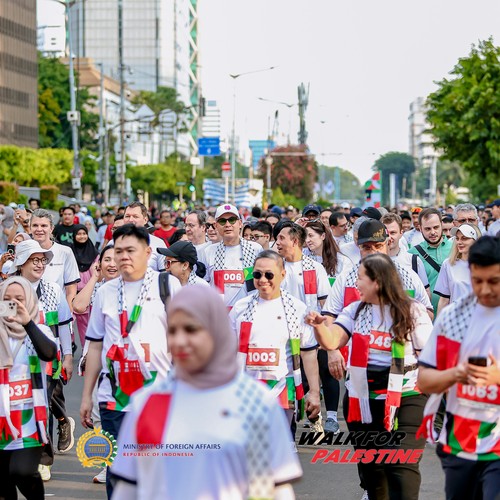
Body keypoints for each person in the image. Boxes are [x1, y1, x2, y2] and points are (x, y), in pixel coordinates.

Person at [111, 285, 302, 500]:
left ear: (215, 331)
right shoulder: (146, 403)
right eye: (172, 330)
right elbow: (127, 491)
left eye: (191, 329)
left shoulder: (257, 403)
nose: (179, 341)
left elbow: (277, 492)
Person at [307, 254, 433, 500]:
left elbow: (429, 359)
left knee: (401, 466)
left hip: (406, 398)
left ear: (377, 281)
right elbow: (332, 340)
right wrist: (320, 327)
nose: (355, 283)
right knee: (373, 474)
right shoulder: (355, 310)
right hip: (363, 402)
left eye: (360, 278)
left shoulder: (413, 311)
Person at [80, 225, 181, 499]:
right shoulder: (106, 291)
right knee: (118, 471)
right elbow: (96, 345)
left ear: (147, 252)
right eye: (119, 251)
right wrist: (87, 396)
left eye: (130, 250)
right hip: (114, 396)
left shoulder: (167, 286)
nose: (123, 256)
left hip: (157, 394)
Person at [417, 236, 500, 500]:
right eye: (477, 281)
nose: (485, 290)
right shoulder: (453, 317)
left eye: (494, 281)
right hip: (459, 444)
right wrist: (455, 374)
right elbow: (425, 380)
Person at [229, 250, 320, 428]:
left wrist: (315, 392)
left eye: (269, 275)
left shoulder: (297, 308)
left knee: (282, 442)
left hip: (283, 389)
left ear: (282, 275)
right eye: (257, 275)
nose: (263, 280)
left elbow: (308, 353)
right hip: (247, 389)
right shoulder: (240, 308)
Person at [10, 240, 74, 479]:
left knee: (43, 406)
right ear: (21, 263)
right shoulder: (8, 289)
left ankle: (43, 459)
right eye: (34, 260)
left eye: (43, 260)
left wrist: (68, 356)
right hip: (14, 362)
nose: (40, 265)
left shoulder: (53, 289)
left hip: (46, 359)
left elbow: (64, 324)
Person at [0, 276, 57, 500]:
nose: (13, 304)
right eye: (7, 299)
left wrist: (28, 323)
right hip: (2, 419)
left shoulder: (38, 330)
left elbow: (49, 353)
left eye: (19, 299)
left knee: (21, 472)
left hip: (29, 420)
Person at [202, 204, 262, 309]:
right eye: (222, 221)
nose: (227, 224)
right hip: (218, 312)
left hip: (248, 311)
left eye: (232, 220)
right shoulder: (209, 251)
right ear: (216, 226)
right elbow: (204, 285)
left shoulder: (255, 249)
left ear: (240, 223)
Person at [30, 210, 80, 309]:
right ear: (30, 227)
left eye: (44, 226)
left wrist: (68, 313)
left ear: (51, 228)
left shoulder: (65, 252)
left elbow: (71, 288)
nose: (39, 229)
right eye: (35, 225)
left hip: (55, 311)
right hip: (29, 310)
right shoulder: (23, 251)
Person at [408, 208, 453, 314]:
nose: (433, 232)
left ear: (441, 225)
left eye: (436, 227)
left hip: (453, 315)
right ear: (420, 228)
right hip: (425, 316)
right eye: (428, 229)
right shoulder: (411, 254)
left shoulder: (456, 248)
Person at [434, 224, 481, 315]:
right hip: (455, 318)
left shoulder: (486, 265)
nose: (459, 242)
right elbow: (444, 299)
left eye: (464, 238)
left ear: (475, 241)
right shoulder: (448, 264)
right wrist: (439, 322)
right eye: (457, 238)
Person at [382, 213, 430, 291]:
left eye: (393, 233)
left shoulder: (413, 261)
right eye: (386, 233)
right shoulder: (372, 262)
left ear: (401, 233)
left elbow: (426, 292)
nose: (389, 237)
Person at [71, 225, 99, 347]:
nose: (82, 236)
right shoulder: (70, 253)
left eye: (84, 233)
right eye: (79, 234)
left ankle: (89, 351)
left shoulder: (94, 254)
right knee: (72, 326)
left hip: (90, 294)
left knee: (89, 326)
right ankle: (75, 349)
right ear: (74, 236)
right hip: (73, 294)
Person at [123, 202, 166, 272]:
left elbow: (164, 273)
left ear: (145, 220)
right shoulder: (113, 243)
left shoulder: (158, 244)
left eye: (135, 216)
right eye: (127, 216)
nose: (130, 220)